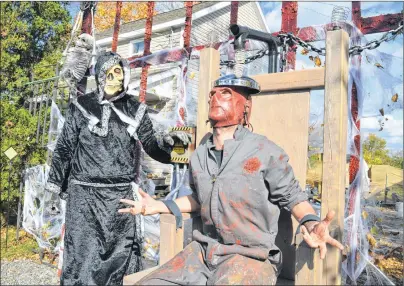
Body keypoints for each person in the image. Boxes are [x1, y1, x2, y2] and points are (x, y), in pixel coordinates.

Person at [119, 74, 344, 285]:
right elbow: (199, 199)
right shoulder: (199, 155)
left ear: (246, 106)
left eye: (226, 93)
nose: (215, 98)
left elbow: (293, 197)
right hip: (204, 252)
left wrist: (312, 223)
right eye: (212, 94)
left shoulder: (264, 151)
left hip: (251, 257)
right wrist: (157, 206)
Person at [45, 51, 190, 285]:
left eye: (119, 72)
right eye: (109, 73)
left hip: (119, 200)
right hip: (84, 199)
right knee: (81, 260)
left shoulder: (135, 108)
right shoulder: (81, 106)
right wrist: (53, 191)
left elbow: (152, 146)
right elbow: (64, 150)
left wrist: (177, 150)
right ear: (100, 77)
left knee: (118, 260)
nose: (115, 78)